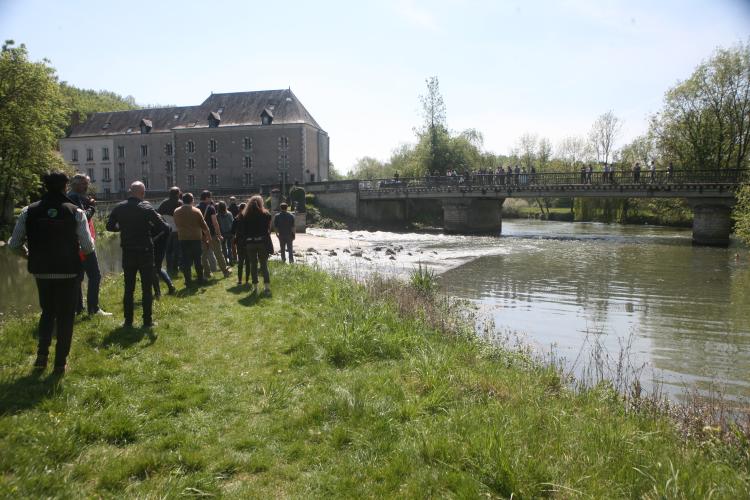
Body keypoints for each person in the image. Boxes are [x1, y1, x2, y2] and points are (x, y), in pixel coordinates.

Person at [9, 171, 95, 374]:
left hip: (42, 271)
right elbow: (88, 247)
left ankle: (41, 356)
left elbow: (14, 245)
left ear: (45, 186)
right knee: (66, 316)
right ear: (66, 186)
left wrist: (28, 255)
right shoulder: (76, 212)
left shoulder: (28, 211)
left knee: (47, 312)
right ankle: (59, 363)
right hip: (68, 271)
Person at [106, 181, 169, 329]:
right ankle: (147, 322)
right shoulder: (147, 208)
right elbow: (164, 227)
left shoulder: (119, 207)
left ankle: (128, 321)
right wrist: (152, 234)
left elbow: (109, 226)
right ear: (142, 193)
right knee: (146, 288)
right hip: (146, 250)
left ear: (130, 191)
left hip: (128, 250)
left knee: (129, 288)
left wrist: (122, 227)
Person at [67, 173, 111, 317]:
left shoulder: (70, 196)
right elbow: (83, 218)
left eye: (87, 183)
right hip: (83, 245)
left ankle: (78, 308)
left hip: (74, 244)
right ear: (76, 184)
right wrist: (92, 207)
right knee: (95, 276)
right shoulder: (75, 197)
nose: (87, 187)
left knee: (78, 277)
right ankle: (94, 309)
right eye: (84, 184)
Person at [173, 192, 211, 287]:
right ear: (192, 200)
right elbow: (204, 226)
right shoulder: (196, 211)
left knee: (186, 261)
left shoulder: (176, 211)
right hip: (195, 239)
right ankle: (200, 279)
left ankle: (188, 280)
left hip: (183, 238)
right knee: (197, 260)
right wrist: (208, 238)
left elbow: (176, 224)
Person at [240, 195, 273, 296]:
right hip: (262, 242)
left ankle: (255, 288)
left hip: (250, 243)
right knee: (264, 265)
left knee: (253, 265)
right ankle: (267, 288)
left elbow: (243, 231)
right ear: (261, 203)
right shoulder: (266, 214)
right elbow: (268, 229)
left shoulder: (244, 215)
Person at [197, 191, 230, 279]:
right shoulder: (211, 208)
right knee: (218, 253)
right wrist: (219, 234)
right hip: (211, 234)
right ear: (207, 198)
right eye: (210, 197)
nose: (211, 199)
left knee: (204, 255)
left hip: (202, 235)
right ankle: (225, 271)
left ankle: (207, 273)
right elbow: (215, 223)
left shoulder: (196, 208)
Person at [157, 186, 183, 275]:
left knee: (168, 250)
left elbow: (158, 215)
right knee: (177, 250)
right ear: (177, 194)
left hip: (167, 230)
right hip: (177, 230)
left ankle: (169, 267)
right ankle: (175, 268)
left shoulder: (164, 203)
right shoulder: (180, 203)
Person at [232, 202, 249, 284]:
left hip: (239, 241)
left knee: (240, 262)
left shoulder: (236, 219)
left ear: (239, 209)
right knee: (248, 262)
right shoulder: (249, 218)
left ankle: (239, 280)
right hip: (248, 241)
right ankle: (247, 280)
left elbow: (232, 231)